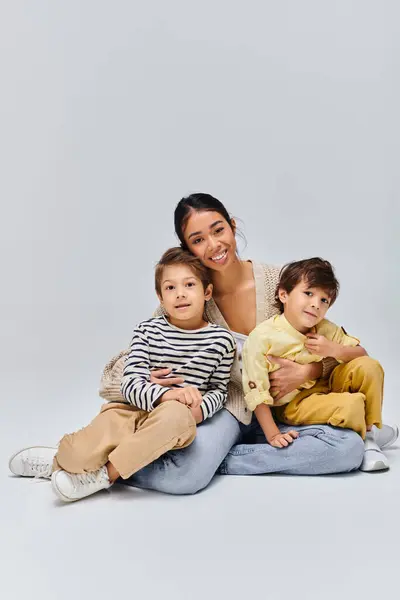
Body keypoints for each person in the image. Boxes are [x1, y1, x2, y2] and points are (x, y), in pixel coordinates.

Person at [9, 194, 398, 493]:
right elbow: (116, 372)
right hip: (226, 410)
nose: (213, 244)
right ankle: (89, 467)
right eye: (198, 239)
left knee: (346, 451)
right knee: (187, 476)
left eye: (218, 229)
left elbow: (330, 341)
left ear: (232, 225)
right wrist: (152, 381)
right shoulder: (188, 299)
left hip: (290, 406)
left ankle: (217, 462)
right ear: (186, 248)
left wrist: (310, 371)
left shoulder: (277, 280)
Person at [9, 247, 235, 502]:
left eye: (189, 285)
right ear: (160, 297)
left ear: (207, 292)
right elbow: (130, 384)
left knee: (176, 416)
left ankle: (104, 476)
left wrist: (200, 409)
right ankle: (57, 463)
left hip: (174, 419)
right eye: (170, 288)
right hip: (128, 410)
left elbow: (219, 389)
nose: (180, 294)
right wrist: (166, 395)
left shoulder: (221, 340)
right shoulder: (146, 330)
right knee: (74, 454)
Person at [242, 257, 388, 471]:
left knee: (369, 366)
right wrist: (273, 434)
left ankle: (369, 434)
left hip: (327, 386)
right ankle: (366, 431)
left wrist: (333, 349)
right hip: (294, 405)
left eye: (324, 300)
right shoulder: (262, 338)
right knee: (353, 404)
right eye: (308, 293)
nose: (315, 304)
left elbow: (362, 353)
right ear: (284, 295)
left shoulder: (325, 329)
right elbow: (256, 393)